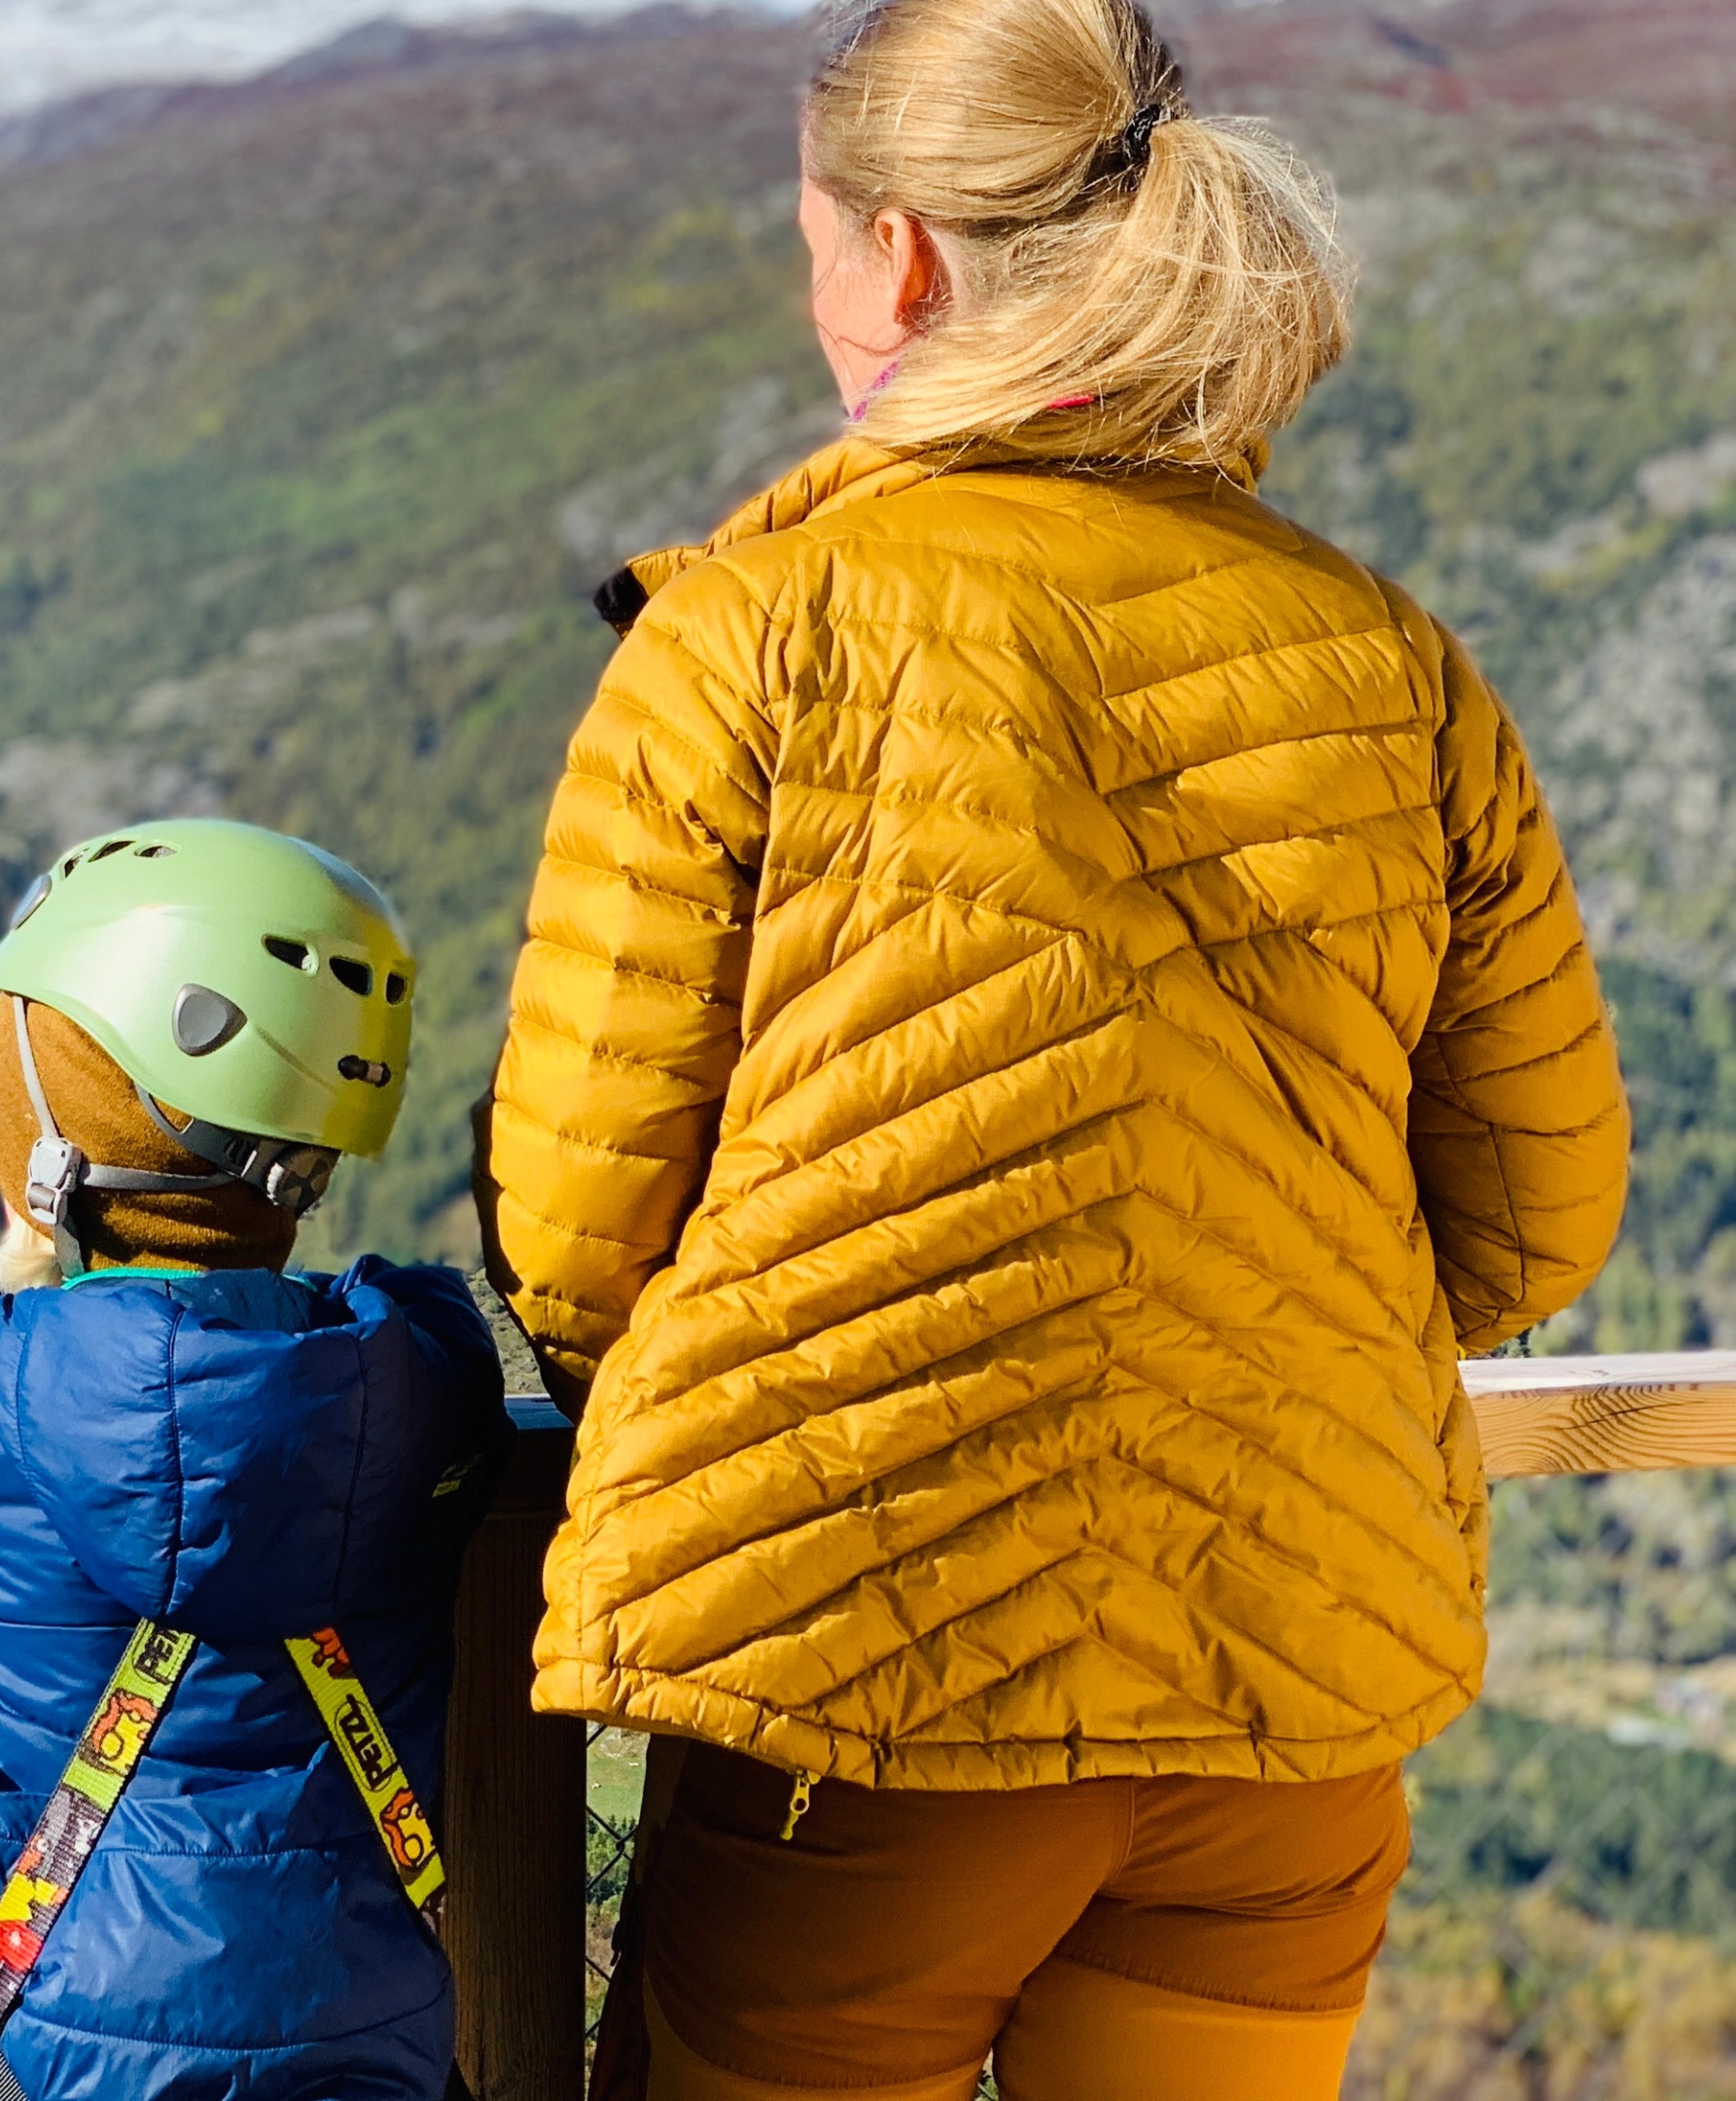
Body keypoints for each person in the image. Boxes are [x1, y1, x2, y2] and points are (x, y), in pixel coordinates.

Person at [476, 2, 1633, 2095]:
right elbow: (1540, 1212)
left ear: (901, 261)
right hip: (1296, 1697)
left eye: (817, 237)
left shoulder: (753, 635)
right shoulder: (1391, 661)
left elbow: (574, 1231)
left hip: (871, 1697)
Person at [0, 819, 514, 2101]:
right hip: (380, 2059)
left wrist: (20, 1244)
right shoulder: (422, 1378)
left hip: (62, 2056)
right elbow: (429, 1301)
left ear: (49, 1121)